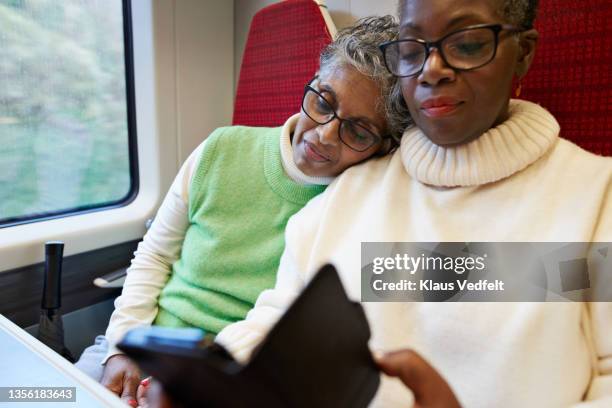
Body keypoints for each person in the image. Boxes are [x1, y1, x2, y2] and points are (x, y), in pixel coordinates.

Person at [215, 1, 612, 407]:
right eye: (410, 49)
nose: (431, 68)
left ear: (523, 54)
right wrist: (206, 384)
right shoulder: (347, 193)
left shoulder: (596, 198)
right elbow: (273, 325)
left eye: (467, 43)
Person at [74, 16, 403, 407]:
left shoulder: (355, 203)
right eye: (323, 102)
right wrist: (119, 348)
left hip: (233, 378)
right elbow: (154, 254)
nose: (324, 134)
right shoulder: (221, 149)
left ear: (384, 146)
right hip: (145, 343)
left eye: (359, 131)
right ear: (313, 80)